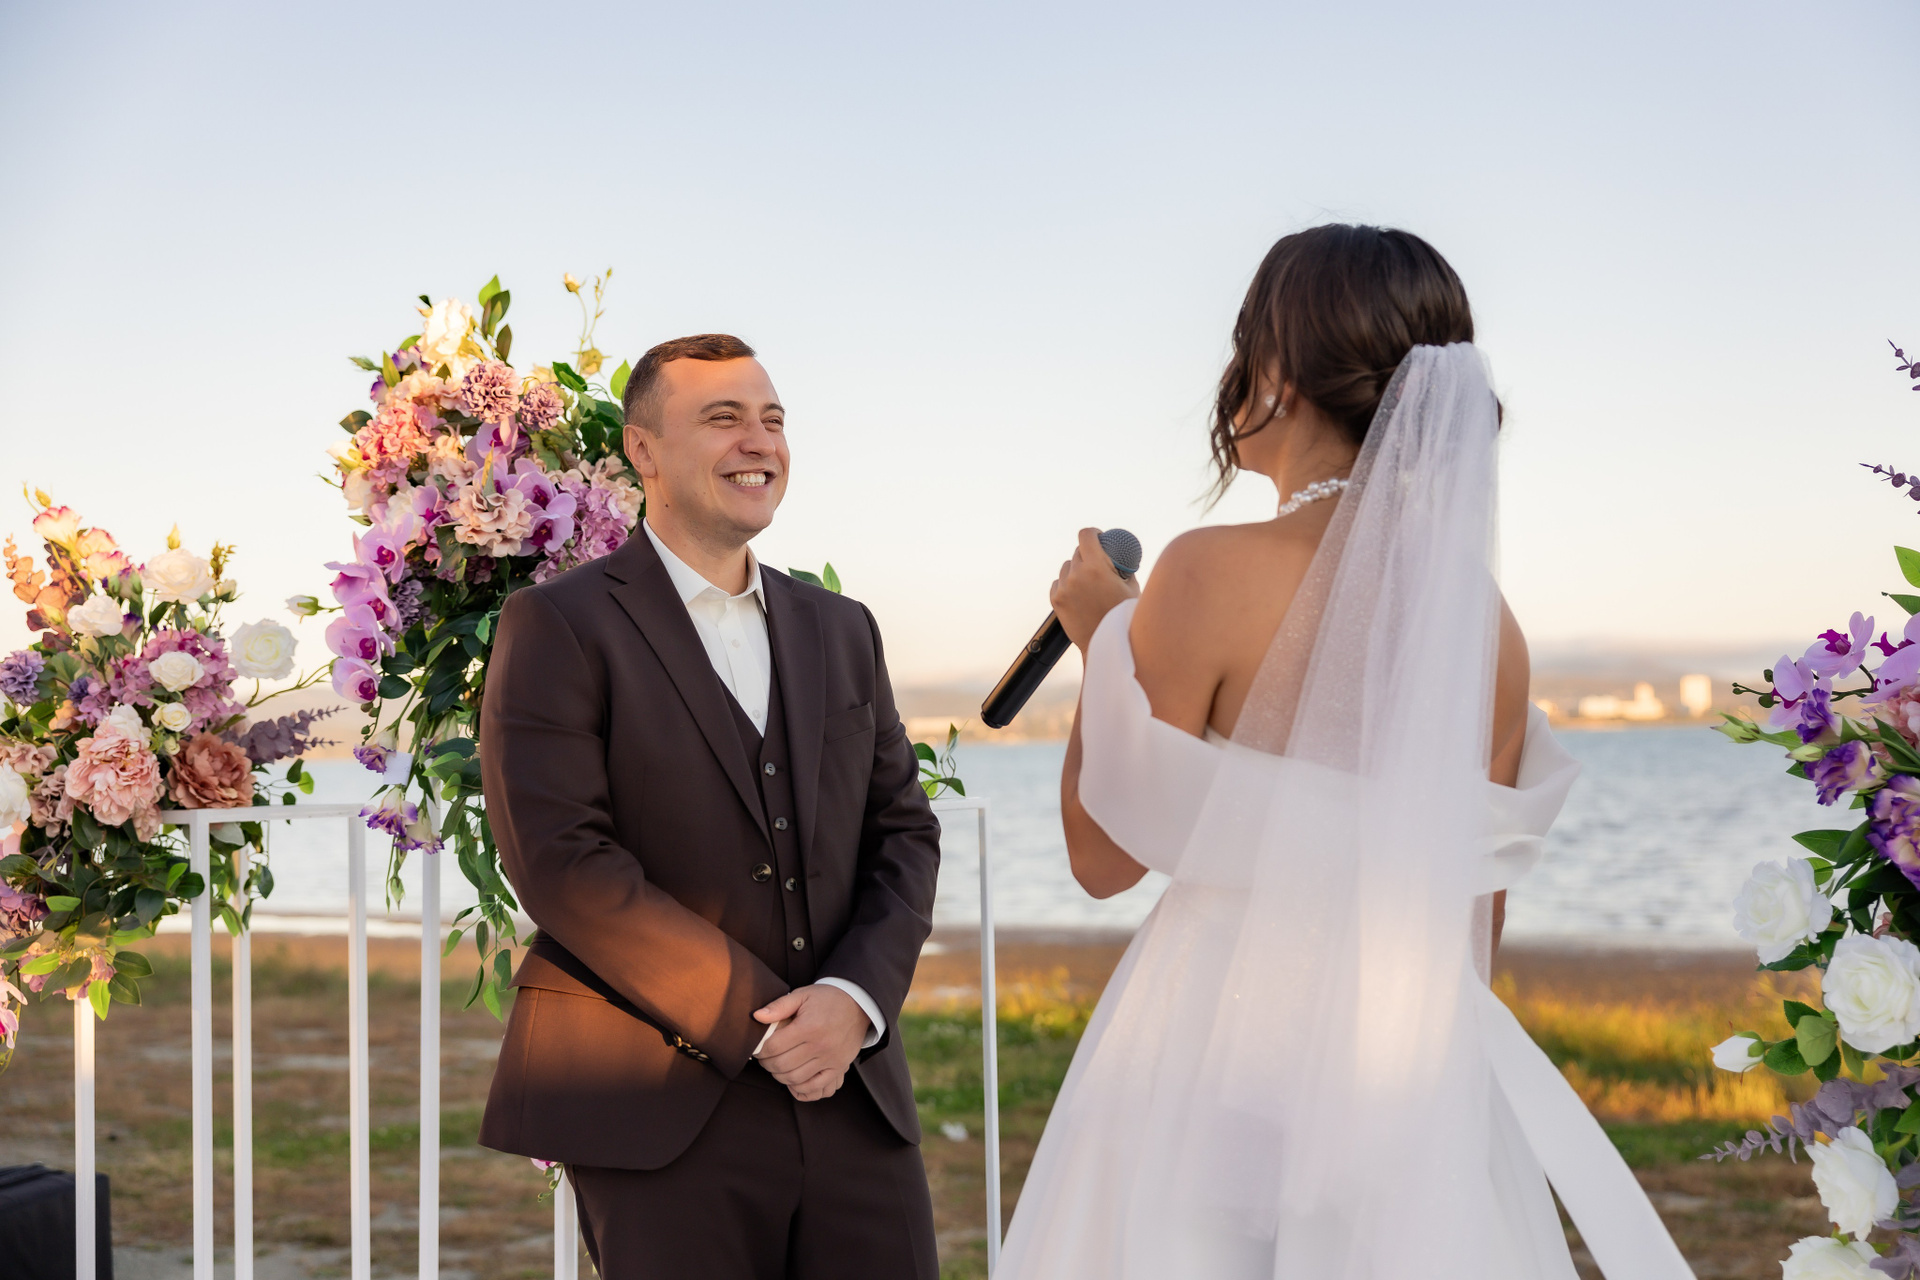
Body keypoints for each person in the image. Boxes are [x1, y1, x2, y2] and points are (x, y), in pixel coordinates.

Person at [998, 226, 1696, 1278]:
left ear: (1278, 371)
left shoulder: (1206, 572)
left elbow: (1102, 860)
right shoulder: (1488, 627)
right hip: (1407, 1061)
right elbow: (1476, 914)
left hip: (1209, 1046)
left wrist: (1104, 640)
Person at [476, 334, 942, 1279]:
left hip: (849, 1089)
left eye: (772, 420)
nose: (758, 442)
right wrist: (761, 1020)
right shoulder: (558, 623)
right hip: (653, 1098)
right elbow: (562, 861)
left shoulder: (843, 628)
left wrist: (853, 1003)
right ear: (643, 450)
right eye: (723, 419)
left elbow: (903, 831)